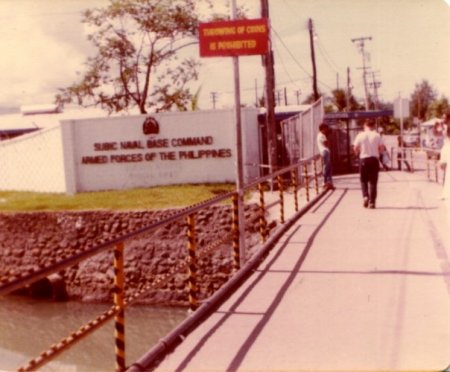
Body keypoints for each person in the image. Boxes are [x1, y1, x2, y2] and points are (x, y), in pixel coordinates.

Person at [353, 120, 385, 209]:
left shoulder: (360, 135)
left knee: (363, 180)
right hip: (374, 160)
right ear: (374, 125)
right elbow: (382, 148)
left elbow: (355, 148)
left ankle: (365, 196)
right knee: (373, 182)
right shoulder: (377, 135)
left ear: (365, 125)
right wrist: (378, 153)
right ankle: (372, 202)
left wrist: (357, 154)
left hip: (363, 159)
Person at [317, 123, 335, 190]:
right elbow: (326, 143)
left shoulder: (321, 135)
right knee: (326, 167)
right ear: (323, 129)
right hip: (325, 151)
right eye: (325, 128)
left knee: (329, 168)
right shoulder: (321, 135)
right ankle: (325, 182)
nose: (326, 130)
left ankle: (329, 182)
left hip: (325, 151)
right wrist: (328, 139)